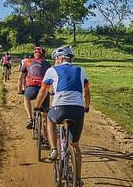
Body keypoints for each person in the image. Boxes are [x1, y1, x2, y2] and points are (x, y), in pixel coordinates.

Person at [34, 45, 90, 186]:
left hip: (60, 107)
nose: (55, 61)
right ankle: (78, 179)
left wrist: (37, 105)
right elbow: (87, 93)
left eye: (55, 59)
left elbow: (43, 91)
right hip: (77, 109)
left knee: (51, 120)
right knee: (75, 145)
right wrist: (86, 107)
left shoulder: (52, 70)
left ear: (59, 58)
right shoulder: (81, 70)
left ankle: (54, 150)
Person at [18, 47, 51, 140]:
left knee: (26, 98)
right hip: (43, 90)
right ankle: (45, 139)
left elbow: (20, 79)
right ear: (44, 56)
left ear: (34, 54)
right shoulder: (48, 64)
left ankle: (29, 118)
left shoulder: (27, 62)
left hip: (31, 88)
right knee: (44, 116)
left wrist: (20, 90)